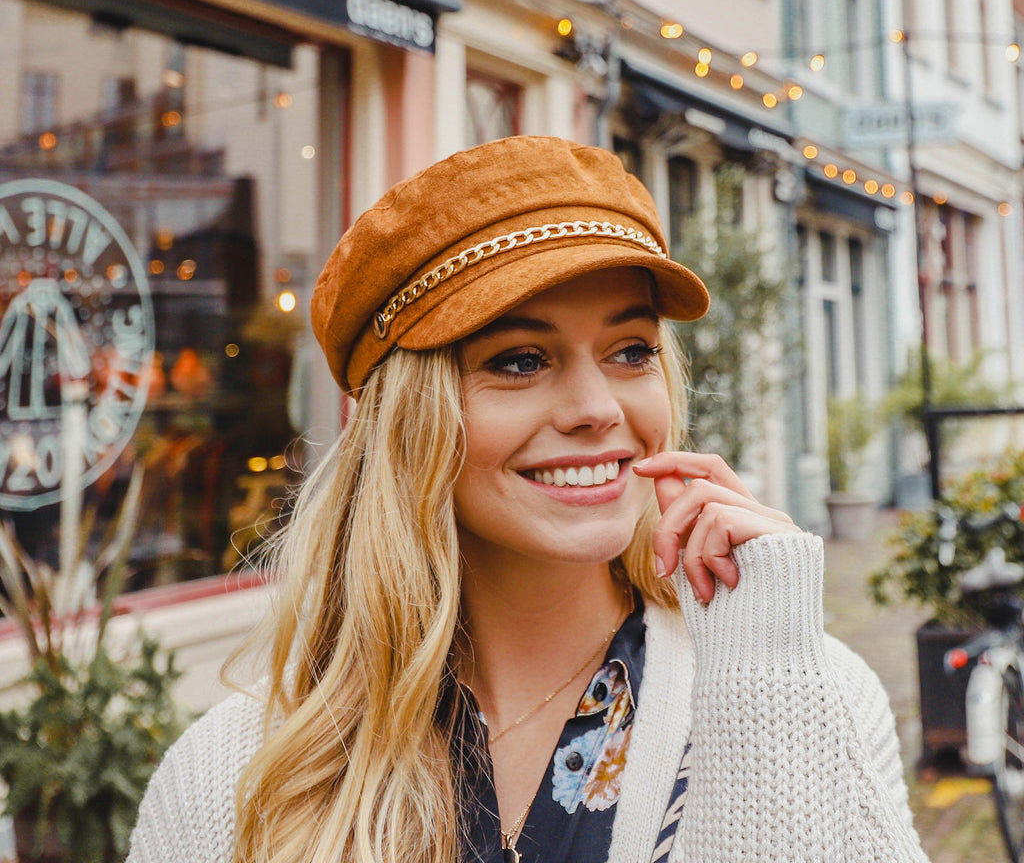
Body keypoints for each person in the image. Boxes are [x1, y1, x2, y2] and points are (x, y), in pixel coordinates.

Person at [127, 136, 929, 863]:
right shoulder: (238, 776)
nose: (598, 408)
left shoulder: (801, 691)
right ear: (411, 421)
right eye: (518, 361)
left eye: (630, 351)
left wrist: (764, 681)